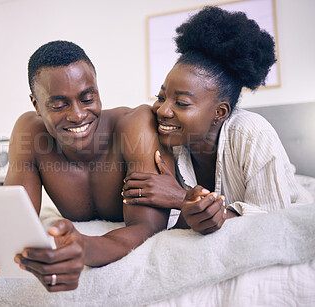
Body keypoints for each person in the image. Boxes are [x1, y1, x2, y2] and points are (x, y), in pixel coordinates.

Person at [0, 40, 174, 292]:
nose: (77, 115)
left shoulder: (135, 124)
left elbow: (147, 227)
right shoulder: (30, 131)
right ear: (36, 105)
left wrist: (85, 248)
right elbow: (15, 223)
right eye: (59, 104)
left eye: (88, 98)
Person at [122, 6, 313, 234]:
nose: (162, 110)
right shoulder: (167, 140)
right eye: (160, 97)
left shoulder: (252, 133)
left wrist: (181, 197)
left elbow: (272, 221)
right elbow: (176, 223)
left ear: (219, 113)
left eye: (181, 103)